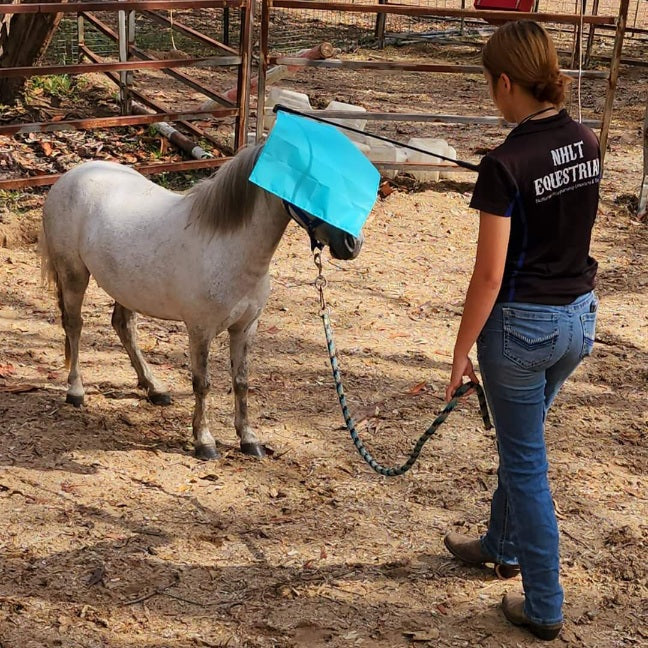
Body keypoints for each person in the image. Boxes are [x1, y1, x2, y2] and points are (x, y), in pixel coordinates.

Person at [443, 20, 600, 641]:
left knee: (527, 463)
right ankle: (501, 545)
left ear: (506, 82)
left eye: (489, 82)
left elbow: (488, 276)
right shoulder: (587, 141)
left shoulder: (504, 164)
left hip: (520, 331)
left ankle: (544, 605)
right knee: (522, 440)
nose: (490, 92)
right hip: (578, 320)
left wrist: (458, 355)